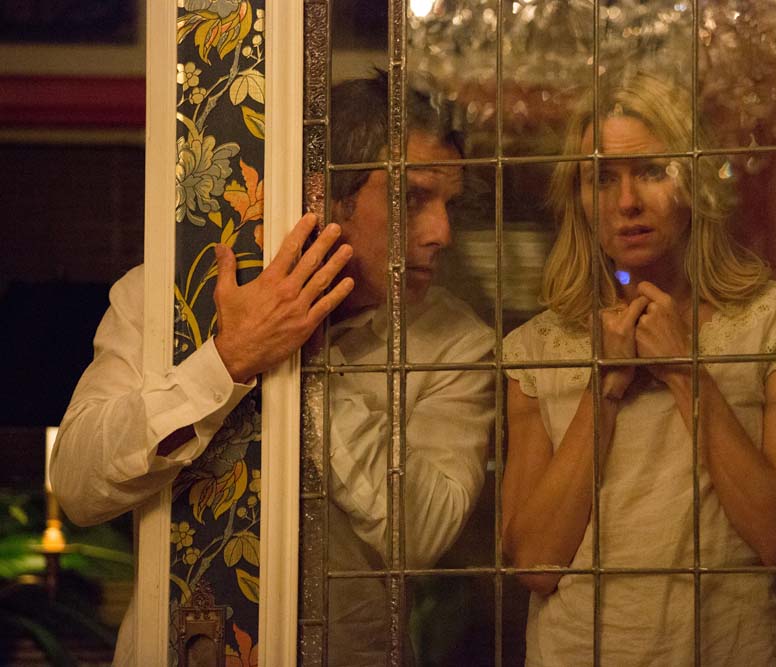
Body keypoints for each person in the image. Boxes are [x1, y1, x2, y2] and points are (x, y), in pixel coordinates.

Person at [50, 72, 494, 666]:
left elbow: (423, 535)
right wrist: (228, 360)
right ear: (325, 196)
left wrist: (308, 356)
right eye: (412, 199)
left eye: (449, 205)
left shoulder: (457, 342)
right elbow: (77, 486)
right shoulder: (162, 301)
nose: (442, 233)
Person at [501, 70, 776, 666]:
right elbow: (533, 564)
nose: (627, 202)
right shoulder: (536, 348)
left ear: (696, 183)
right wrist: (605, 389)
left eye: (653, 171)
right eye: (602, 178)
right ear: (578, 199)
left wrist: (685, 372)